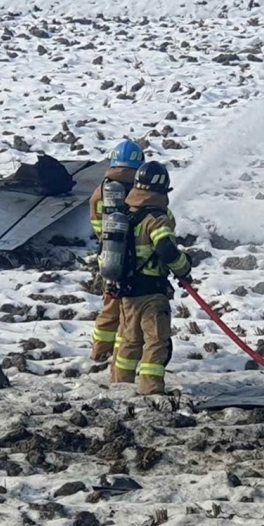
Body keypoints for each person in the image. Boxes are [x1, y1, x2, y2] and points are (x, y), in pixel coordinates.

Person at [111, 160, 192, 395]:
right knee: (156, 341)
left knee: (129, 340)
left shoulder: (127, 213)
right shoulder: (156, 219)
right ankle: (151, 389)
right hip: (151, 292)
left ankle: (121, 388)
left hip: (127, 290)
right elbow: (166, 250)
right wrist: (184, 266)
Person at [89, 139, 145, 362]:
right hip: (135, 260)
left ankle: (99, 350)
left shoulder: (100, 191)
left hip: (109, 255)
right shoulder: (140, 188)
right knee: (128, 310)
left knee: (110, 305)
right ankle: (122, 359)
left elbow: (96, 225)